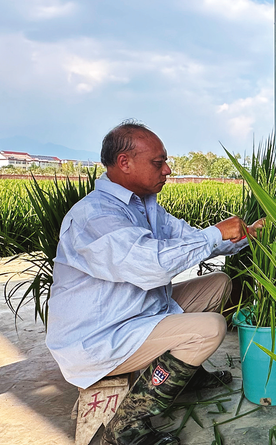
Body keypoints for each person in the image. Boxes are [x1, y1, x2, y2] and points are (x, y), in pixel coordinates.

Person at [45, 120, 264, 445]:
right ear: (124, 163)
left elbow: (190, 240)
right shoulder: (96, 216)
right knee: (211, 328)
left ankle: (185, 377)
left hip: (133, 313)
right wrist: (216, 231)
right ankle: (126, 429)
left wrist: (247, 235)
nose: (168, 170)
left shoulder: (144, 207)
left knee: (217, 283)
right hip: (100, 338)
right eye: (158, 162)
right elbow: (151, 266)